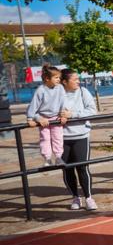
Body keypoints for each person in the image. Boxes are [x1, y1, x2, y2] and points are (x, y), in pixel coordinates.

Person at [59, 69, 98, 210]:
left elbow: (92, 111)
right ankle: (75, 197)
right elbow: (46, 111)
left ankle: (89, 198)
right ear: (64, 82)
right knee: (67, 169)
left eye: (78, 79)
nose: (78, 81)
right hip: (62, 138)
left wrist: (72, 115)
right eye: (74, 79)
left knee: (82, 167)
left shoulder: (83, 92)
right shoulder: (56, 94)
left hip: (81, 136)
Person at [26, 65, 66, 166]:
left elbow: (63, 102)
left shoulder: (60, 88)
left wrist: (63, 114)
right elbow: (34, 105)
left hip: (56, 117)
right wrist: (31, 118)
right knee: (45, 138)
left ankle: (58, 157)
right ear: (47, 79)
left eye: (59, 77)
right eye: (56, 77)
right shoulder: (41, 90)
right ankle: (47, 158)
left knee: (58, 137)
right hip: (43, 118)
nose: (59, 79)